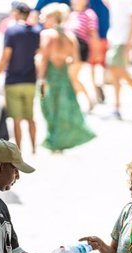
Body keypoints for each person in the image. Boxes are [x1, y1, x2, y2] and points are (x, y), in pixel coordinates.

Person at [37, 3, 95, 152]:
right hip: (64, 76)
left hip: (50, 76)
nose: (42, 20)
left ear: (52, 18)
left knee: (48, 107)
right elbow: (75, 60)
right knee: (64, 110)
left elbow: (43, 59)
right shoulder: (70, 36)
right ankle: (60, 141)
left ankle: (53, 140)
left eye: (44, 17)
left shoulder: (47, 35)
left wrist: (41, 79)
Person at [0, 2, 41, 153]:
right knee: (30, 117)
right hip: (31, 79)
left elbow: (5, 57)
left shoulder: (11, 31)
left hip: (13, 79)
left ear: (16, 13)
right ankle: (33, 148)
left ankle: (19, 150)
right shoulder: (36, 32)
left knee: (16, 119)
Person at [66, 0, 99, 111]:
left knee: (72, 76)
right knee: (71, 77)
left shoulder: (89, 14)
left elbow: (93, 34)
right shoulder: (72, 14)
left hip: (81, 48)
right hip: (69, 48)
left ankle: (86, 100)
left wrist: (95, 52)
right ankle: (86, 100)